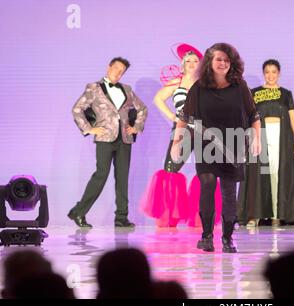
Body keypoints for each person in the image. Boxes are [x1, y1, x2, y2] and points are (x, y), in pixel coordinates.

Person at [171, 43, 261, 253]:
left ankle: (228, 238)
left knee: (229, 191)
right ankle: (207, 236)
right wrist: (177, 142)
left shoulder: (240, 87)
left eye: (227, 60)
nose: (222, 63)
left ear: (232, 64)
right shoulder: (199, 87)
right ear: (210, 62)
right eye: (218, 59)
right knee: (208, 185)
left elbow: (253, 115)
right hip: (206, 144)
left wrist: (257, 138)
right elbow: (183, 118)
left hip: (234, 143)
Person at [140, 44, 222, 228]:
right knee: (170, 169)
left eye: (196, 61)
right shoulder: (176, 82)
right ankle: (169, 216)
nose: (192, 63)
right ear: (183, 64)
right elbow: (158, 99)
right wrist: (172, 116)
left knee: (206, 173)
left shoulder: (206, 83)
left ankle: (202, 217)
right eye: (189, 61)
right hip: (182, 130)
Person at [69, 57, 148, 228]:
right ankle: (79, 212)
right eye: (116, 68)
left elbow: (142, 108)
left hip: (125, 139)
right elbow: (77, 109)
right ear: (108, 67)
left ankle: (121, 218)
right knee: (101, 175)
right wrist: (89, 129)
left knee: (123, 178)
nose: (118, 73)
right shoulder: (94, 88)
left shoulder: (127, 89)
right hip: (105, 138)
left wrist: (136, 127)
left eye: (122, 71)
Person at [238, 59, 294, 227]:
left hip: (281, 137)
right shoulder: (253, 92)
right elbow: (248, 116)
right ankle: (254, 215)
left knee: (278, 174)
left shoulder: (286, 94)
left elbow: (292, 117)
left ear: (279, 73)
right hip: (260, 136)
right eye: (267, 72)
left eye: (274, 72)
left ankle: (278, 214)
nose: (270, 75)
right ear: (264, 74)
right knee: (258, 175)